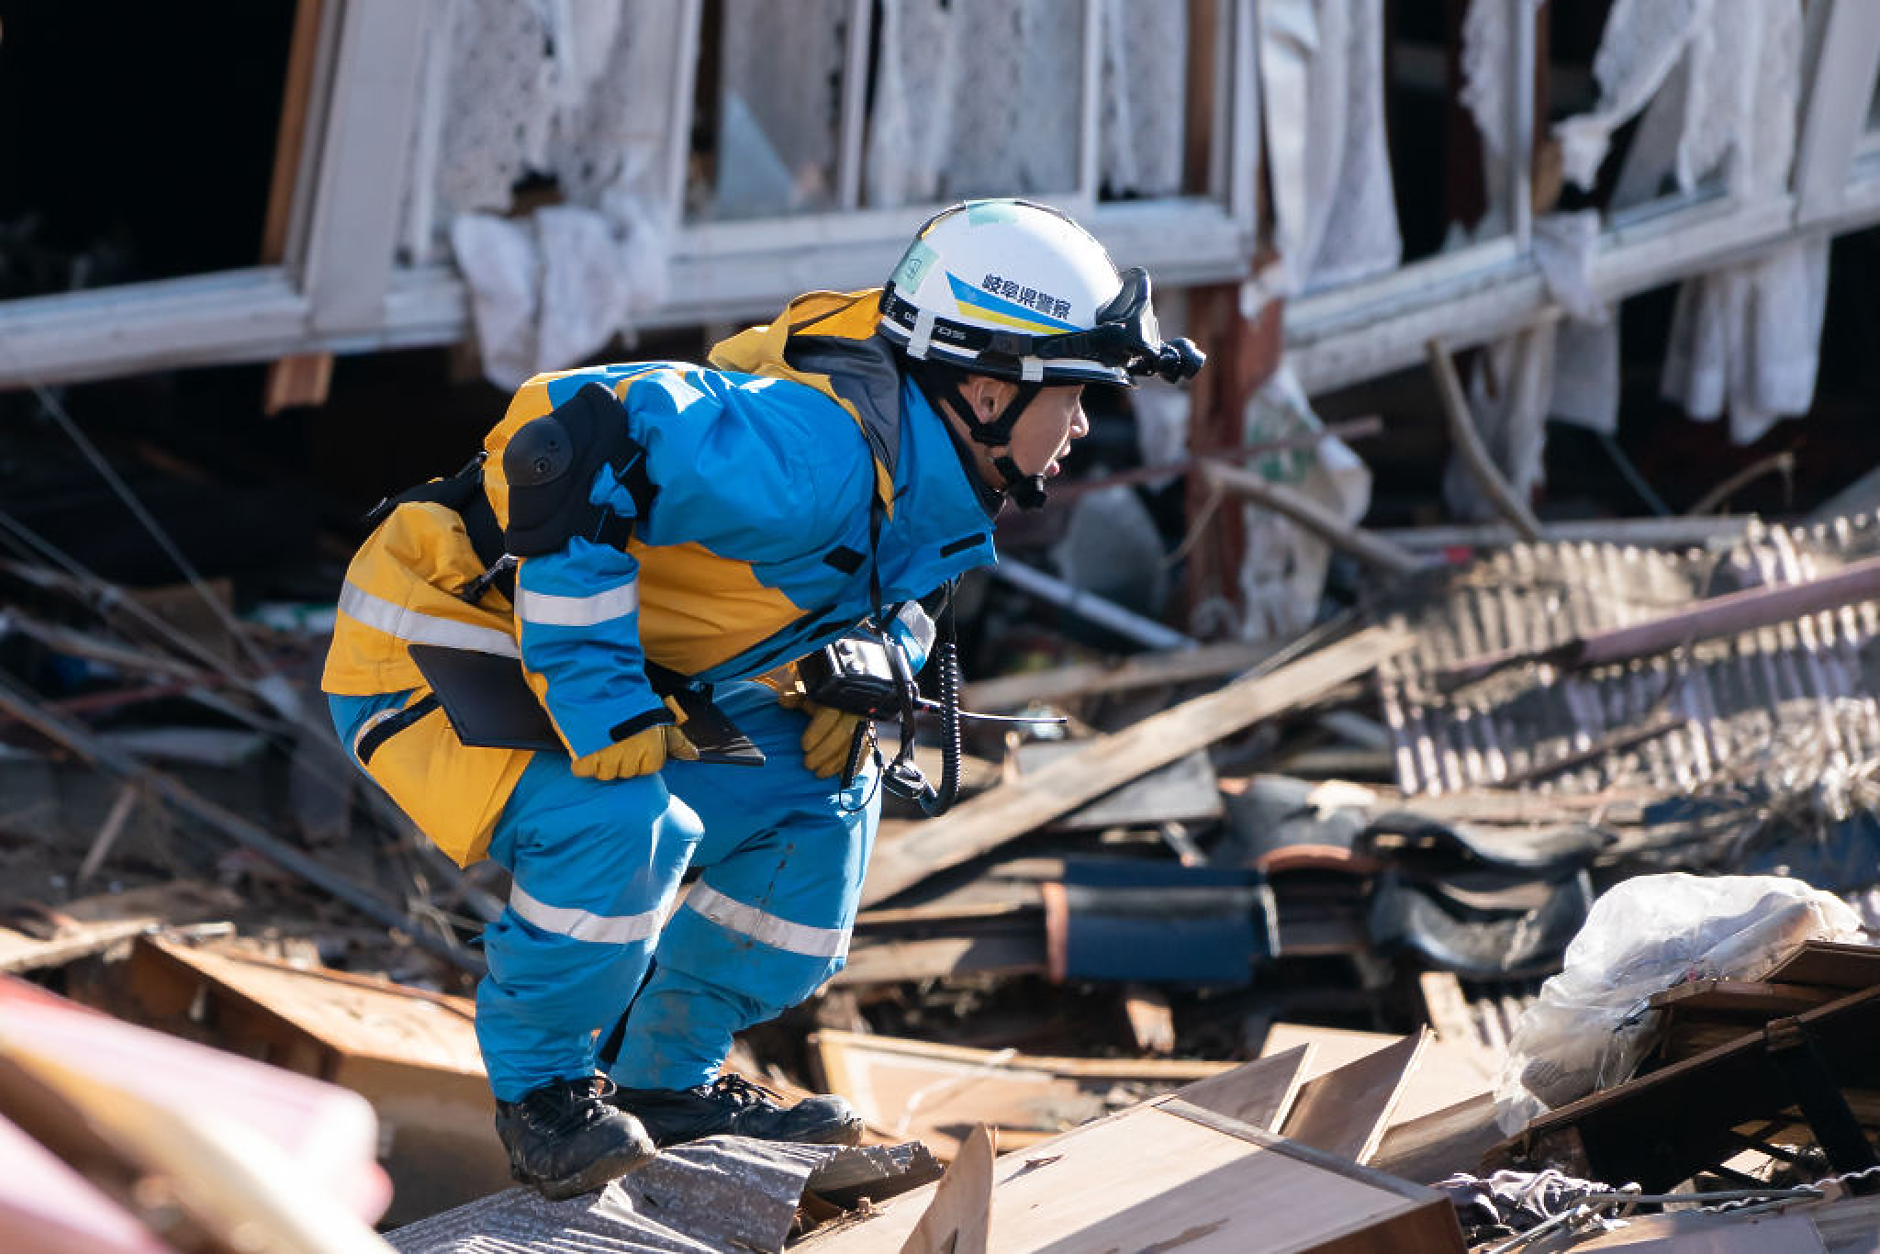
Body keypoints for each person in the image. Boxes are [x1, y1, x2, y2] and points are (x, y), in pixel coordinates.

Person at [321, 198, 1203, 1200]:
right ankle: (546, 1098)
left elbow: (890, 586)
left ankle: (663, 1082)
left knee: (821, 793)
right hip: (432, 639)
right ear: (987, 384)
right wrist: (597, 690)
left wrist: (876, 656)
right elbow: (573, 438)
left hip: (605, 657)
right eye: (1076, 393)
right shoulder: (816, 455)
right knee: (616, 816)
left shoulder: (925, 458)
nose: (1085, 424)